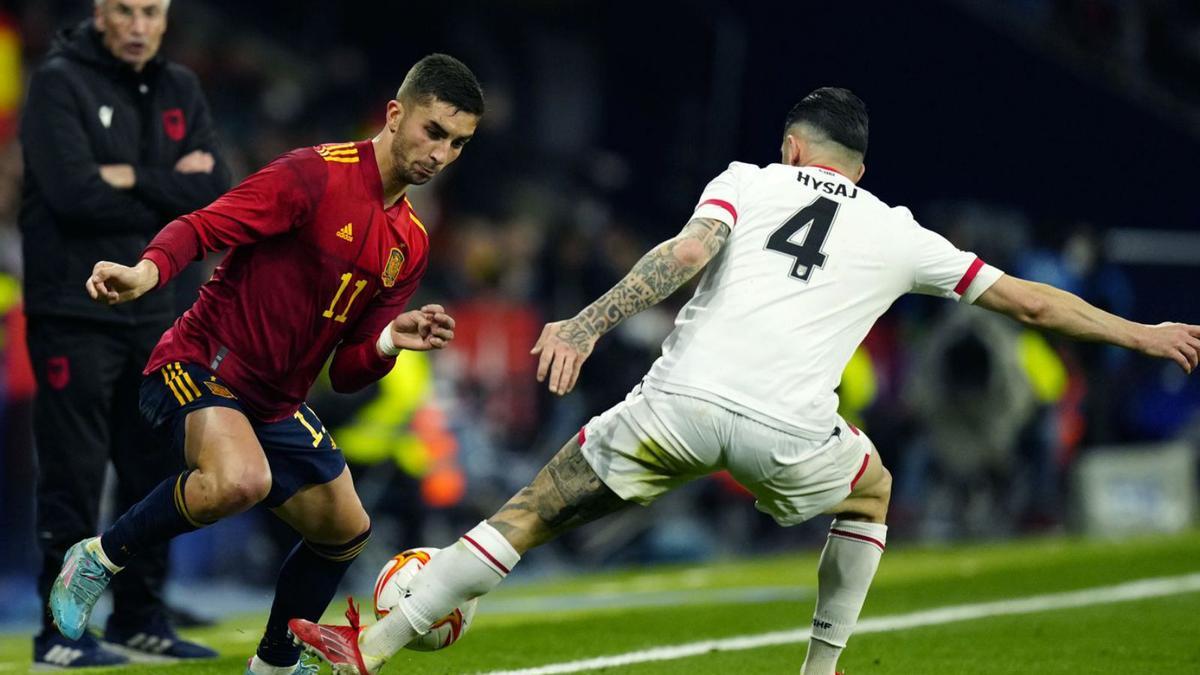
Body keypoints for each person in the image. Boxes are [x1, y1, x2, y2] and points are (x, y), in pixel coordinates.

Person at [290, 87, 1200, 675]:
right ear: (857, 167)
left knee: (531, 509)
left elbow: (686, 253)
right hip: (790, 429)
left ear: (794, 149)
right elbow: (1033, 306)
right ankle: (820, 669)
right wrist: (1141, 331)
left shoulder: (750, 181)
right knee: (874, 487)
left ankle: (369, 645)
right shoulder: (900, 229)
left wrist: (586, 319)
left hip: (676, 406)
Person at [46, 53, 482, 675]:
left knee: (345, 528)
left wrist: (388, 341)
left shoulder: (409, 243)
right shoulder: (314, 175)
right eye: (433, 131)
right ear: (395, 114)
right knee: (239, 479)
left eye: (458, 143)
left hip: (276, 403)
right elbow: (202, 226)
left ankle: (275, 661)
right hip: (200, 364)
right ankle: (98, 557)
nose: (440, 154)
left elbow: (349, 371)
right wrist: (145, 271)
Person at [19, 0, 230, 666]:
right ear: (99, 13)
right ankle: (61, 631)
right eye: (125, 10)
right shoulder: (58, 81)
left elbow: (217, 192)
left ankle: (140, 616)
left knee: (155, 469)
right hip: (73, 312)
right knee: (74, 474)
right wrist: (169, 182)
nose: (140, 25)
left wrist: (128, 176)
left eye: (152, 11)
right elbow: (73, 194)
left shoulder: (180, 88)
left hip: (158, 317)